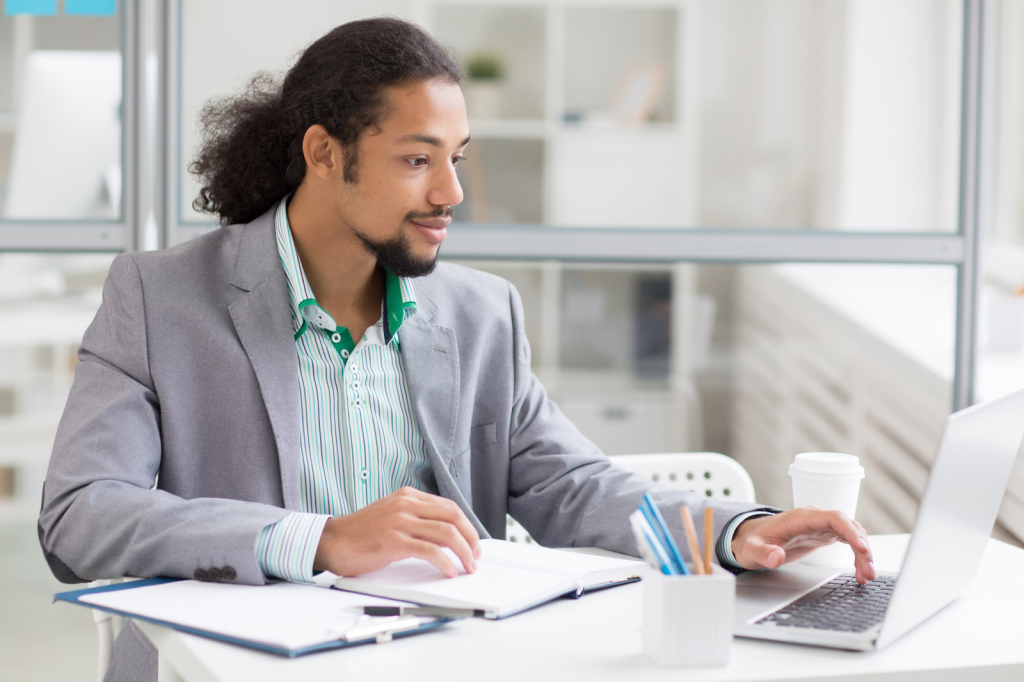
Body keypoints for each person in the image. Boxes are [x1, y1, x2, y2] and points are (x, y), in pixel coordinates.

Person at [38, 16, 873, 679]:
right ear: (324, 153)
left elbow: (570, 483)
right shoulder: (159, 297)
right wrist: (319, 539)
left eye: (457, 159)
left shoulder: (480, 313)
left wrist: (740, 530)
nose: (452, 192)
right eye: (417, 160)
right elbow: (79, 516)